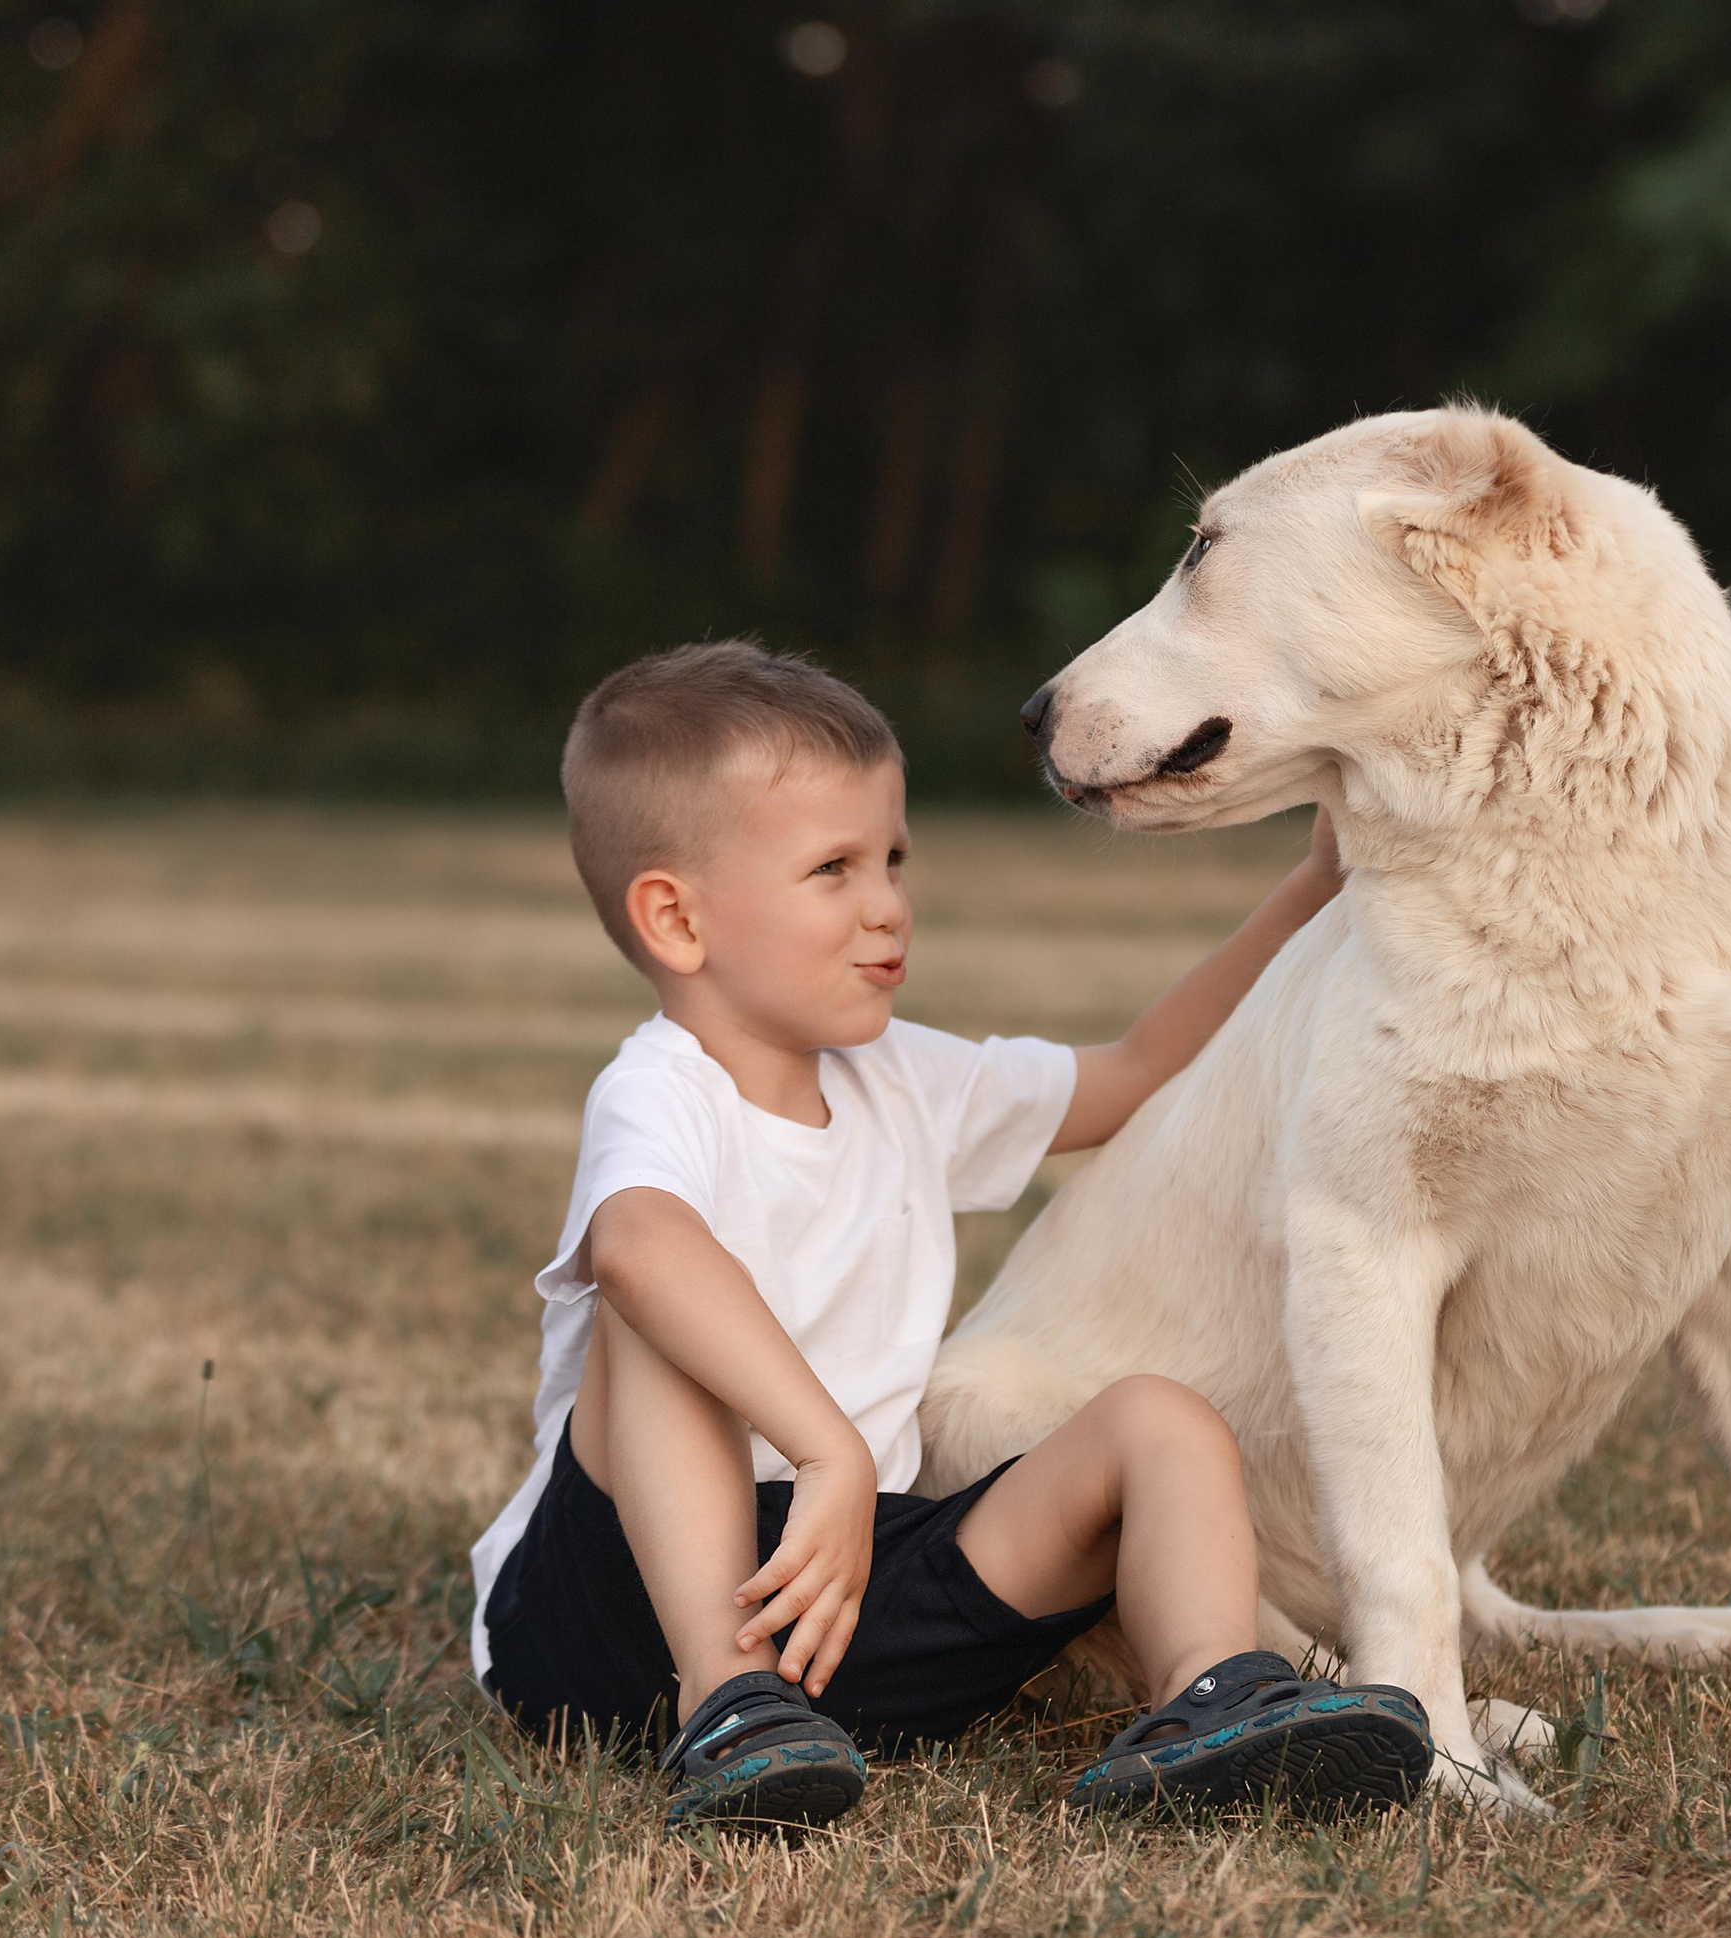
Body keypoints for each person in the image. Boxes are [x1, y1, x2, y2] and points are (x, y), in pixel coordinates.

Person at [467, 640, 1433, 1832]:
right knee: (654, 1319)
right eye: (832, 868)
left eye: (893, 858)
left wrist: (1312, 887)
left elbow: (1128, 1074)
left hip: (847, 1589)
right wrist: (823, 1449)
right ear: (676, 919)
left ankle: (1208, 1702)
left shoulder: (897, 1076)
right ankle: (729, 1709)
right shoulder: (665, 1089)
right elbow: (639, 1249)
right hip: (614, 1620)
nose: (886, 902)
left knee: (1158, 1419)